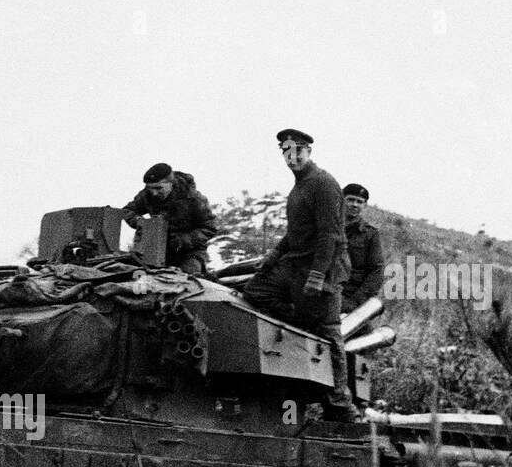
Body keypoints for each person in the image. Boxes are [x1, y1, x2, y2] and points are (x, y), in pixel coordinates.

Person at [242, 129, 357, 422]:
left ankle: (340, 404)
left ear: (308, 152)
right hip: (296, 264)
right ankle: (301, 321)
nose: (292, 158)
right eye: (286, 152)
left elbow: (330, 235)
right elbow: (296, 234)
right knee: (256, 291)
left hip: (325, 267)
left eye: (298, 151)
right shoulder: (299, 188)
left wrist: (318, 275)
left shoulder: (323, 184)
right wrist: (274, 256)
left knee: (329, 332)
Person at [121, 162, 218, 275]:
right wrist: (139, 222)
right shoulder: (147, 195)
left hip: (189, 253)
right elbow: (127, 211)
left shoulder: (193, 199)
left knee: (187, 280)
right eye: (150, 188)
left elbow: (210, 228)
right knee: (139, 277)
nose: (154, 193)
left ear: (171, 183)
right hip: (157, 250)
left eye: (159, 188)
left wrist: (182, 241)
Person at [340, 183, 385, 313]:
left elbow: (376, 271)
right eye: (350, 199)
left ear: (364, 205)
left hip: (346, 296)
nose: (354, 205)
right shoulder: (327, 225)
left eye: (359, 202)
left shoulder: (370, 234)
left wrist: (355, 302)